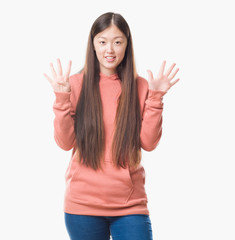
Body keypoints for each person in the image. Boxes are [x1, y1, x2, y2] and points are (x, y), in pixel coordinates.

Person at [44, 12, 179, 240]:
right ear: (93, 44)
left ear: (127, 45)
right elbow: (65, 143)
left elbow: (148, 142)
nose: (110, 49)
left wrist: (156, 98)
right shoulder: (74, 85)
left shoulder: (141, 87)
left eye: (117, 42)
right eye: (103, 41)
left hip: (130, 204)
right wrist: (61, 98)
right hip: (82, 205)